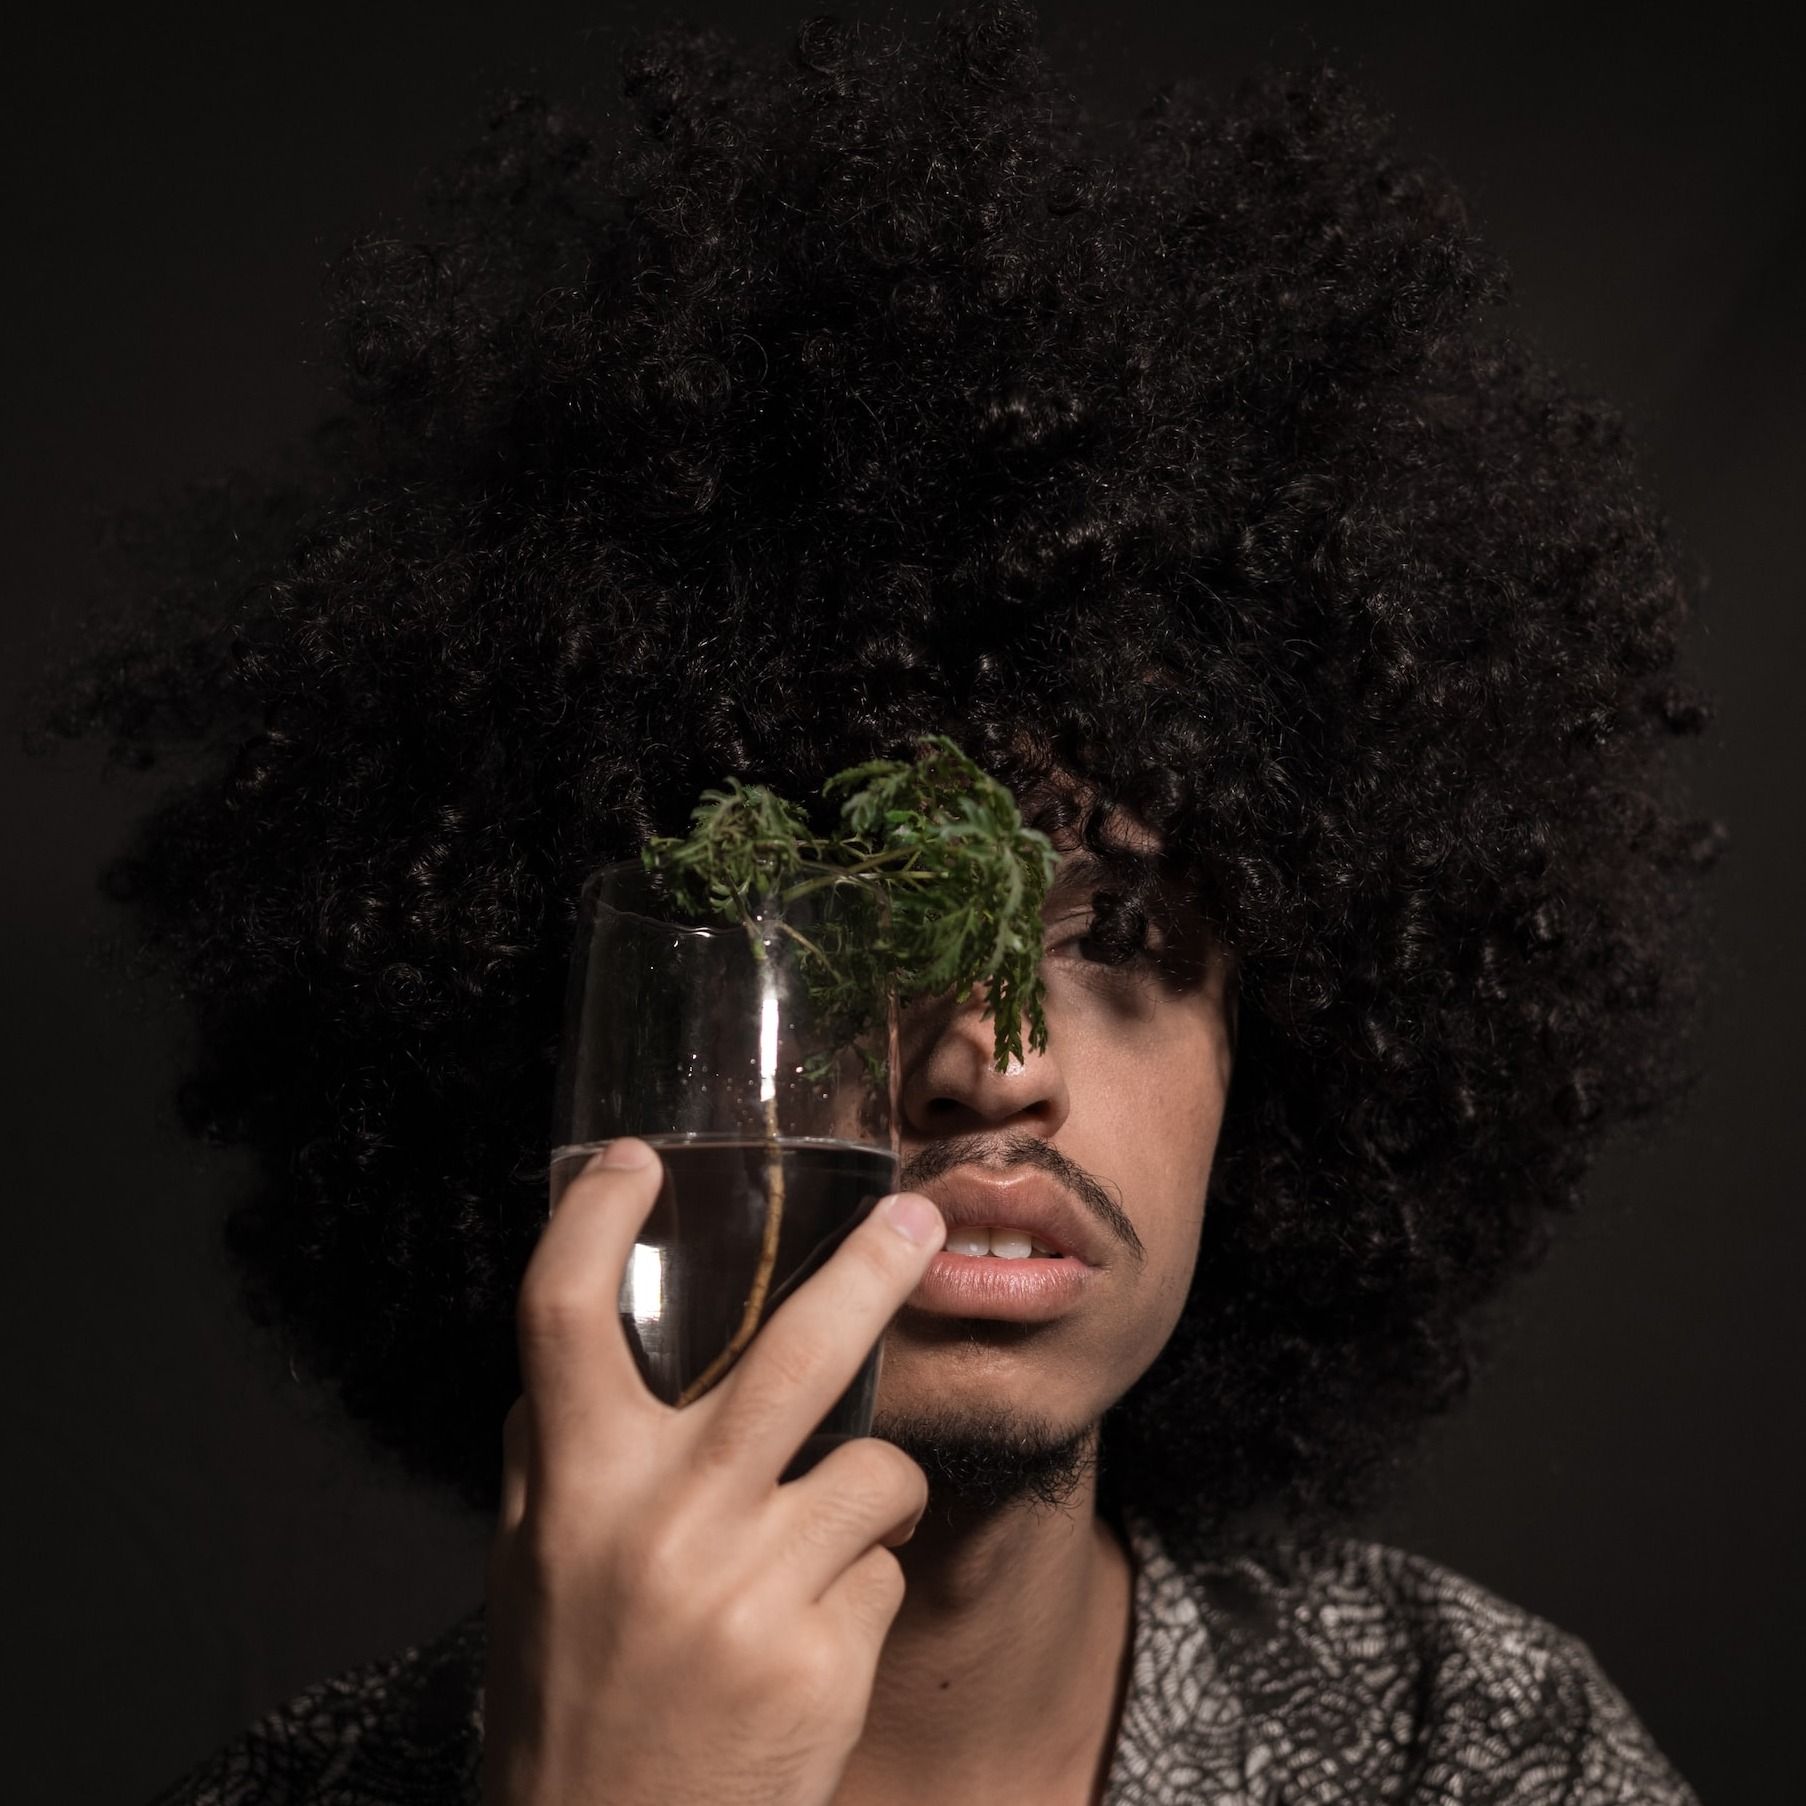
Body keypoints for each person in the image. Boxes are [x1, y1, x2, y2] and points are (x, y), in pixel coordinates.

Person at [39, 3, 1719, 1800]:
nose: (990, 1066)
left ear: (1282, 1060)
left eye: (1119, 935)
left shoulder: (1468, 1745)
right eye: (850, 921)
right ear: (600, 1042)